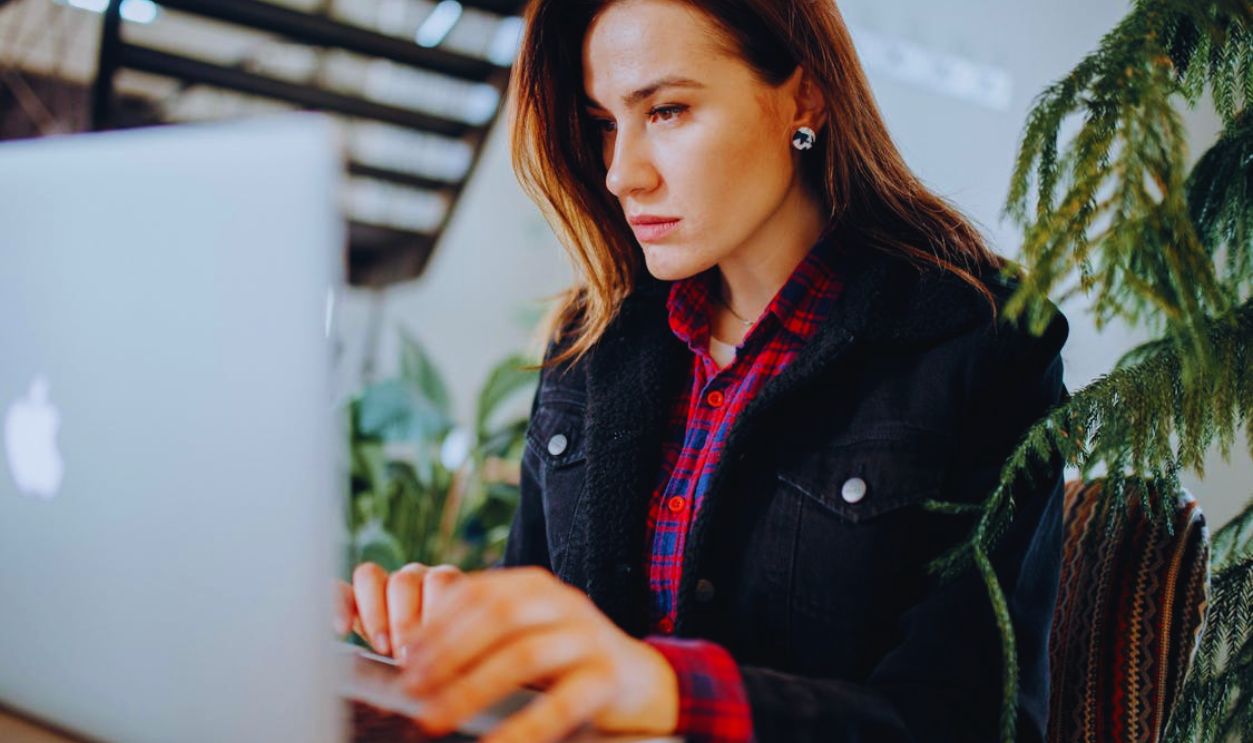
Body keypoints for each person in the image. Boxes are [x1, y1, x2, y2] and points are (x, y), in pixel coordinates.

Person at [335, 1, 1071, 741]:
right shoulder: (590, 340)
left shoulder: (983, 345)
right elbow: (545, 648)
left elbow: (974, 720)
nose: (623, 174)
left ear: (804, 95)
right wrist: (460, 632)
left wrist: (669, 691)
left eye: (666, 111)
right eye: (603, 124)